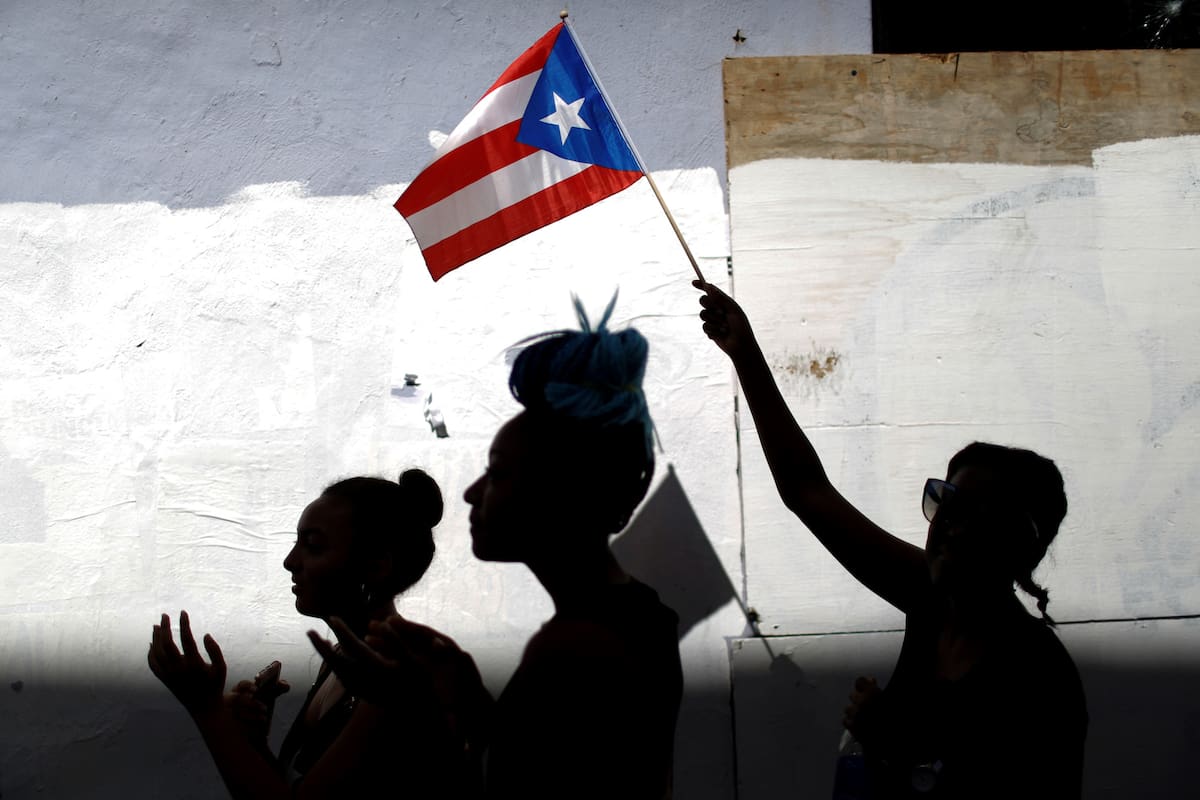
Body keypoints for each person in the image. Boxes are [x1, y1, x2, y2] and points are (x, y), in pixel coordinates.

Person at [694, 280, 1086, 799]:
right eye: (943, 499)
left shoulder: (1040, 680)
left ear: (1019, 542)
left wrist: (892, 740)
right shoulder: (932, 598)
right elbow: (807, 492)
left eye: (969, 512)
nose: (943, 520)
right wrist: (745, 354)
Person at [313, 295, 683, 800]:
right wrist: (467, 695)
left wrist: (415, 709)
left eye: (499, 471)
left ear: (561, 496)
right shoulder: (639, 612)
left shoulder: (572, 648)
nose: (471, 491)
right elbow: (554, 766)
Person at [148, 469, 488, 799]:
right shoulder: (343, 659)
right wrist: (251, 740)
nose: (290, 561)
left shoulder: (395, 673)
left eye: (313, 546)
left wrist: (207, 709)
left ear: (377, 566)